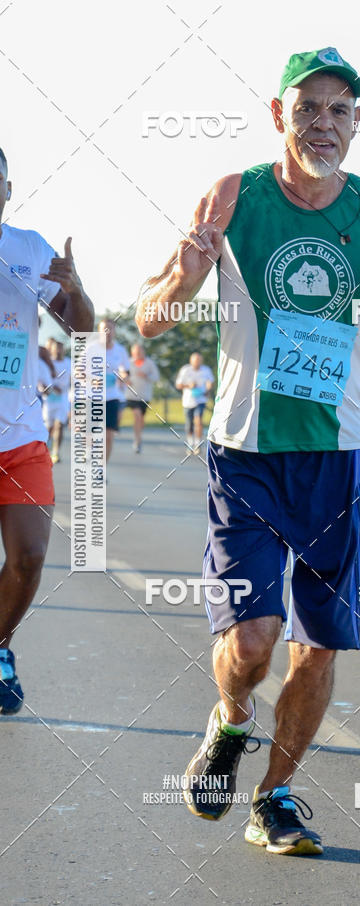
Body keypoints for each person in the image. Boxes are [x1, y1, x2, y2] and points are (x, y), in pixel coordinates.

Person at [136, 48, 360, 855]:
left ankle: (274, 799)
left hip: (336, 457)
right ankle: (231, 719)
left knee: (317, 644)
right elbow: (149, 320)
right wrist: (185, 278)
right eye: (309, 107)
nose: (324, 124)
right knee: (251, 644)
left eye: (340, 111)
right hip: (245, 453)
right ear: (280, 115)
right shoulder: (234, 195)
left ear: (357, 124)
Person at [0, 146, 93, 713]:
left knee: (30, 556)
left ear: (8, 191)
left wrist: (77, 292)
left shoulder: (27, 250)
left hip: (21, 436)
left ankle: (0, 647)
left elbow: (80, 329)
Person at [97, 318, 129, 463]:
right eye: (104, 329)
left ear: (114, 332)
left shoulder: (120, 350)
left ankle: (100, 469)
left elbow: (125, 371)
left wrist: (123, 376)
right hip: (92, 397)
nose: (107, 333)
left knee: (108, 436)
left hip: (111, 397)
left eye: (110, 329)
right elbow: (79, 372)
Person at [175, 352, 214, 452]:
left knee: (198, 420)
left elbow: (210, 382)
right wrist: (189, 385)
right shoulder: (185, 370)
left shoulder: (206, 370)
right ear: (191, 361)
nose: (197, 363)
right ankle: (190, 442)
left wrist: (208, 390)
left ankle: (198, 443)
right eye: (195, 361)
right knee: (189, 423)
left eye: (199, 361)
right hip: (188, 401)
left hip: (200, 400)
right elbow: (178, 385)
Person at [125, 342, 160, 453]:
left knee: (141, 419)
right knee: (137, 416)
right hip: (131, 395)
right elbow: (122, 374)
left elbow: (156, 377)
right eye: (135, 352)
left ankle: (138, 436)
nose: (138, 354)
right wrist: (126, 379)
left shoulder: (149, 363)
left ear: (143, 352)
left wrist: (146, 376)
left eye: (140, 351)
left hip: (145, 396)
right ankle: (137, 441)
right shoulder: (128, 363)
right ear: (132, 353)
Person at [42, 338, 71, 463]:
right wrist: (52, 387)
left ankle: (56, 452)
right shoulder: (47, 363)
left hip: (63, 398)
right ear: (52, 349)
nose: (58, 350)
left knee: (59, 425)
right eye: (56, 348)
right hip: (49, 399)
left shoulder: (69, 362)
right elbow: (41, 380)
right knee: (49, 428)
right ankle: (44, 451)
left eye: (60, 348)